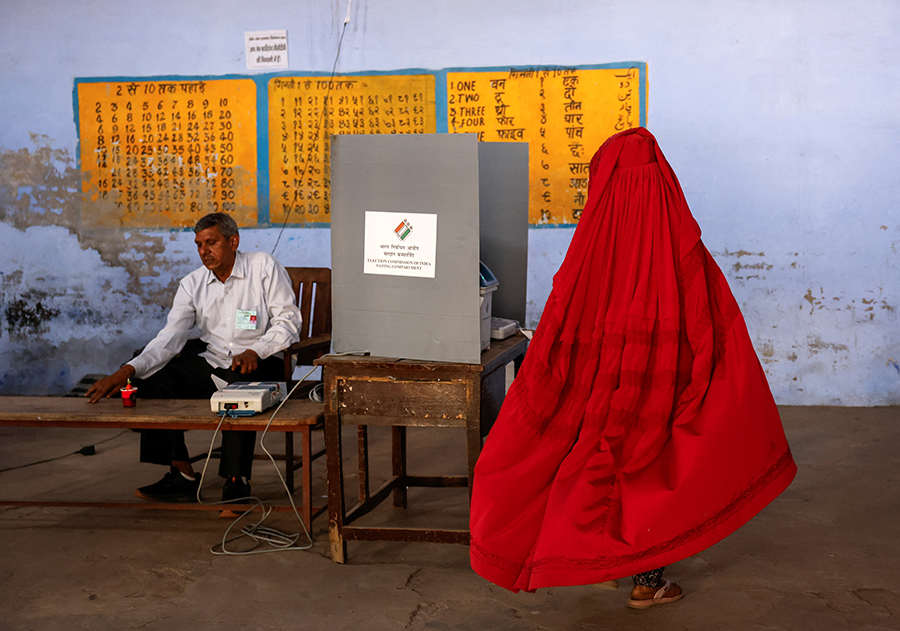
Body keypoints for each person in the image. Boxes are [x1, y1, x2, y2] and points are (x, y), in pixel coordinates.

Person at [469, 128, 797, 608]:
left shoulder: (588, 253)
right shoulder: (683, 247)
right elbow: (714, 328)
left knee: (585, 451)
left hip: (595, 385)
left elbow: (557, 325)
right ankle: (647, 580)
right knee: (648, 458)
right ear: (663, 181)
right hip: (659, 382)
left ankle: (590, 559)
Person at [86, 212, 302, 503]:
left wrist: (256, 351)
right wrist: (126, 370)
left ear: (233, 241)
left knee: (239, 387)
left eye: (211, 243)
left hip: (262, 362)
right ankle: (181, 473)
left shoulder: (263, 266)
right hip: (214, 362)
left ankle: (237, 481)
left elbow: (288, 321)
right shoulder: (192, 284)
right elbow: (169, 338)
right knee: (153, 378)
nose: (204, 252)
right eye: (199, 245)